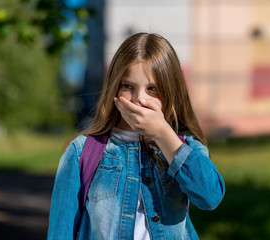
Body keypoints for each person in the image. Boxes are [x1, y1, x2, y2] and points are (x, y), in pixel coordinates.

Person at [47, 32, 225, 240]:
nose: (139, 99)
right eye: (128, 86)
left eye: (152, 89)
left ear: (170, 92)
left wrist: (162, 133)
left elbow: (210, 197)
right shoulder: (81, 151)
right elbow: (60, 232)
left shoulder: (183, 146)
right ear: (114, 87)